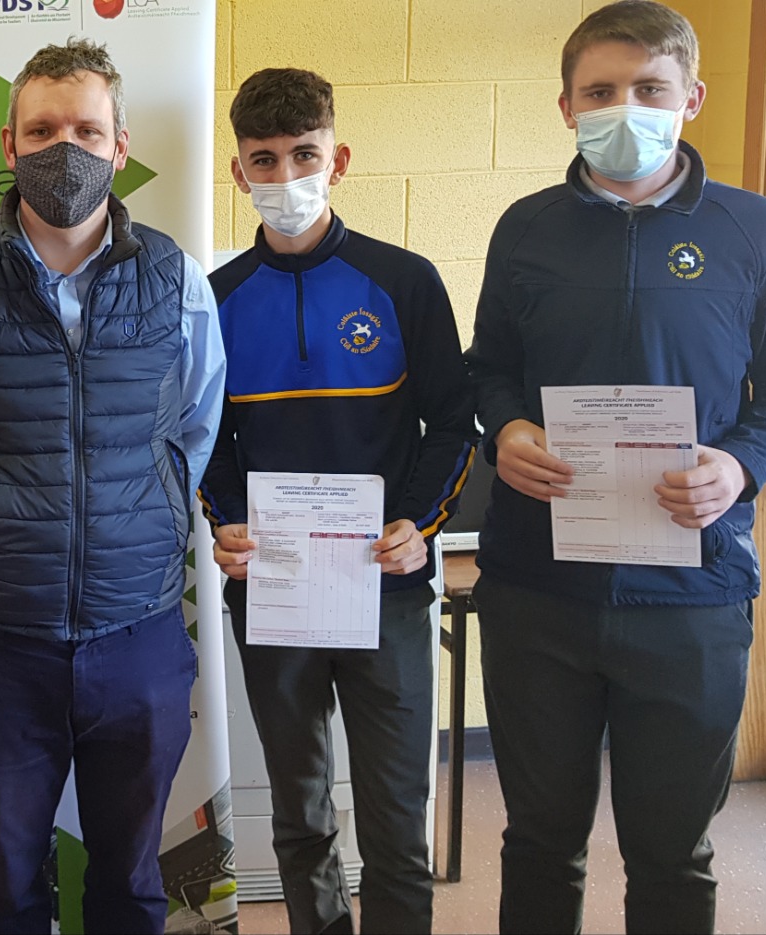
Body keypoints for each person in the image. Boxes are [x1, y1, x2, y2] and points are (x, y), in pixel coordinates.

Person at [0, 38, 227, 935]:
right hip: (0, 642)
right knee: (6, 882)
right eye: (42, 131)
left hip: (139, 633)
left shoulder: (176, 280)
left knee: (132, 879)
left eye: (86, 130)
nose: (64, 149)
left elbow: (194, 429)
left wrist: (144, 514)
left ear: (120, 148)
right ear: (10, 145)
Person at [464, 3, 766, 932]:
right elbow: (487, 368)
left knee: (673, 854)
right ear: (567, 106)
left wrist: (741, 464)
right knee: (539, 842)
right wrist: (506, 429)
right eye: (600, 92)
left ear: (692, 97)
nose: (625, 109)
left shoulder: (755, 229)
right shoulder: (526, 227)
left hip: (692, 593)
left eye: (649, 89)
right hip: (540, 592)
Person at [198, 67, 476, 935]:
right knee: (300, 810)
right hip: (274, 588)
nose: (285, 177)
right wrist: (226, 521)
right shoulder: (215, 298)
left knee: (396, 817)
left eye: (304, 155)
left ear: (339, 158)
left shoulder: (404, 280)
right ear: (239, 171)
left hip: (387, 586)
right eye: (264, 160)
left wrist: (419, 525)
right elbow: (204, 439)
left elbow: (453, 422)